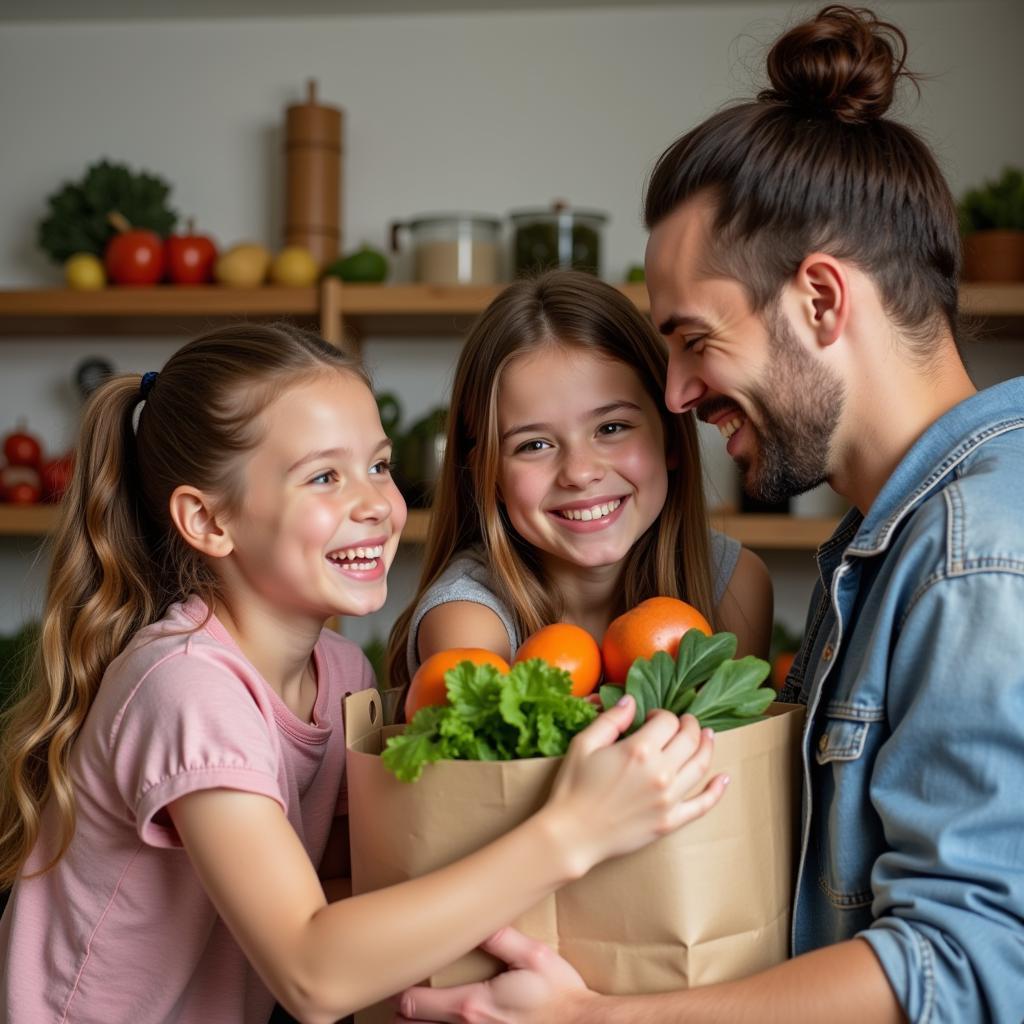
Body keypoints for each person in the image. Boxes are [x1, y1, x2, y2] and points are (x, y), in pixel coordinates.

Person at [396, 6, 1024, 1023]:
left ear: (820, 300)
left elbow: (972, 962)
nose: (677, 395)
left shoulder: (978, 555)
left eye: (692, 338)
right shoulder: (884, 549)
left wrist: (602, 1021)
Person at [0, 323, 731, 1023]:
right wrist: (572, 832)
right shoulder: (188, 686)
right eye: (323, 476)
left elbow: (372, 886)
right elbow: (314, 972)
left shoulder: (341, 671)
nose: (375, 505)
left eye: (378, 466)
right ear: (208, 522)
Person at [388, 269, 773, 699]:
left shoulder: (735, 585)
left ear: (669, 437)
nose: (579, 471)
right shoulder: (468, 621)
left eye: (611, 428)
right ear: (489, 475)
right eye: (534, 444)